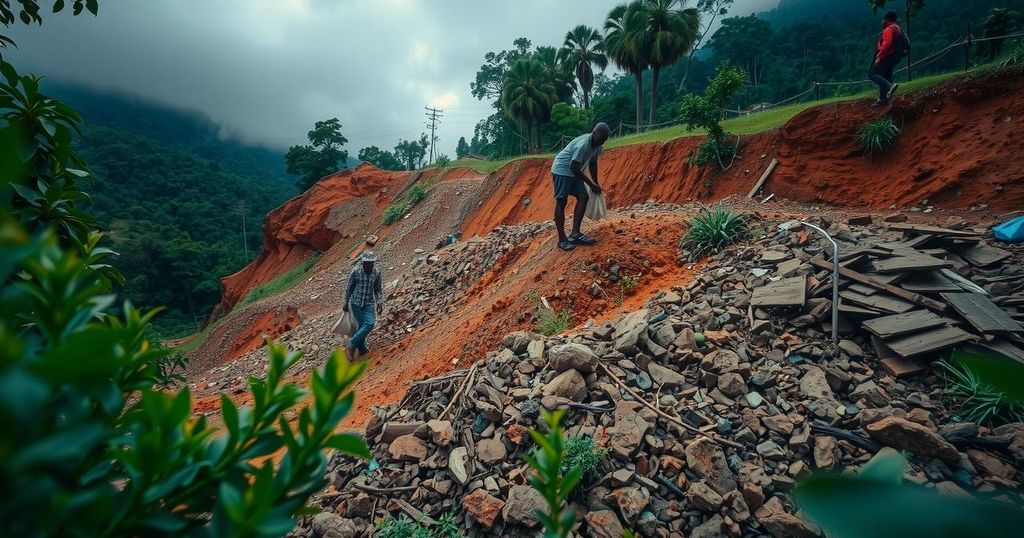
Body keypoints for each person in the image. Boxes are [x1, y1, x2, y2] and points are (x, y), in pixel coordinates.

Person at [550, 122, 610, 251]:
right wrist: (590, 184)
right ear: (594, 133)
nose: (602, 142)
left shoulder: (598, 145)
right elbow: (574, 167)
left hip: (575, 171)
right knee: (561, 201)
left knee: (583, 196)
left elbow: (593, 164)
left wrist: (596, 183)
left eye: (604, 140)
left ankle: (575, 233)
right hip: (562, 170)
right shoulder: (583, 145)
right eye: (601, 139)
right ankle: (562, 239)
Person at [344, 250, 383, 359]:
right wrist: (346, 302)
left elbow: (378, 289)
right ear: (362, 263)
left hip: (368, 303)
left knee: (369, 324)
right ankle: (362, 349)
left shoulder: (376, 273)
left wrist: (379, 301)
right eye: (367, 263)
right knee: (361, 326)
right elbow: (349, 288)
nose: (369, 265)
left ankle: (351, 344)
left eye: (371, 263)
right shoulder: (356, 271)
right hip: (356, 303)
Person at [868, 10, 905, 108]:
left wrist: (879, 57)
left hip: (886, 56)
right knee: (885, 75)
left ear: (887, 20)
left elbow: (887, 44)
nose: (882, 21)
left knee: (872, 74)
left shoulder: (889, 29)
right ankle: (883, 99)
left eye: (883, 19)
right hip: (894, 57)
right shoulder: (898, 28)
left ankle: (889, 86)